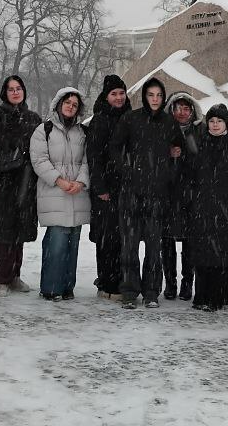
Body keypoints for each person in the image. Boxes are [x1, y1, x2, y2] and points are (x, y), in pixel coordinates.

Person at [109, 77, 183, 309]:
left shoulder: (169, 122)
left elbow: (179, 149)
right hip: (131, 191)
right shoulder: (131, 119)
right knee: (129, 246)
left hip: (157, 193)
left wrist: (170, 167)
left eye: (159, 95)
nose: (155, 99)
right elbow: (114, 147)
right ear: (144, 96)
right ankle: (130, 292)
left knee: (153, 246)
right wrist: (126, 170)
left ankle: (151, 291)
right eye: (151, 95)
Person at [0, 75, 43, 297]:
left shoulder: (33, 119)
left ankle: (14, 275)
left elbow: (39, 151)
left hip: (25, 181)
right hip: (1, 182)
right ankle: (2, 278)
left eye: (19, 88)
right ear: (5, 93)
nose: (15, 92)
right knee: (3, 233)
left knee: (20, 232)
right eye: (11, 89)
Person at [186, 105, 228, 312]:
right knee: (201, 254)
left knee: (220, 255)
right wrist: (190, 202)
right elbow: (190, 177)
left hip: (224, 209)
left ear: (226, 124)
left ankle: (217, 297)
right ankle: (201, 296)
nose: (215, 125)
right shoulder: (199, 146)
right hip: (201, 208)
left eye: (219, 121)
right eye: (212, 121)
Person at [31, 87, 90, 301]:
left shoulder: (83, 132)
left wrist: (81, 182)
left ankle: (67, 287)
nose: (70, 107)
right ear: (58, 104)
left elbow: (88, 161)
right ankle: (51, 287)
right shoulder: (44, 130)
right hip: (54, 193)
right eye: (67, 103)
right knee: (56, 243)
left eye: (75, 105)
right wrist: (59, 180)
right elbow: (39, 160)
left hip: (77, 194)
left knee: (72, 245)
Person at [86, 75, 130, 301]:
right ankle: (107, 283)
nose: (119, 97)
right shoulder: (100, 120)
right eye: (114, 94)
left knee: (123, 238)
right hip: (106, 190)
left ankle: (121, 281)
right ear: (106, 96)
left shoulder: (130, 117)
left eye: (121, 93)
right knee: (107, 238)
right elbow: (93, 156)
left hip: (126, 187)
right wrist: (100, 187)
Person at [164, 92, 202, 301]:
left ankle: (188, 283)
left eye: (186, 109)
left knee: (190, 244)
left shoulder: (199, 132)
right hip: (168, 194)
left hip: (191, 195)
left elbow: (202, 162)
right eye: (178, 108)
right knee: (167, 242)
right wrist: (168, 154)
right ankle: (170, 283)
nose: (182, 113)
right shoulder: (164, 129)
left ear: (192, 111)